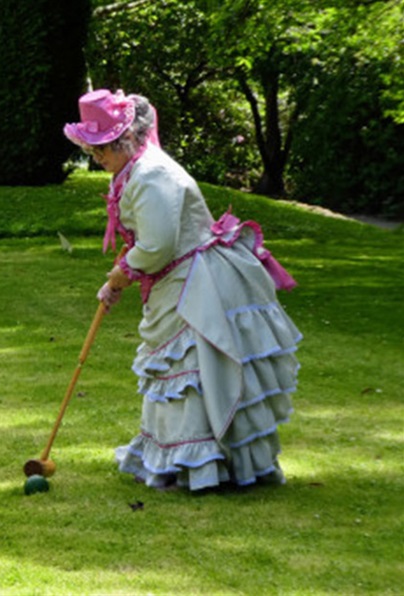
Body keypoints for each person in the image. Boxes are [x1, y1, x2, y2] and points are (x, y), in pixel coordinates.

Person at [63, 89, 301, 491]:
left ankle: (202, 466)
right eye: (92, 148)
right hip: (178, 277)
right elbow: (149, 239)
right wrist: (122, 273)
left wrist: (120, 275)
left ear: (125, 141)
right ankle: (182, 460)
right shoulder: (138, 171)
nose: (97, 157)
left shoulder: (152, 174)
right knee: (182, 372)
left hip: (194, 283)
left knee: (193, 369)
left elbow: (157, 246)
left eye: (102, 148)